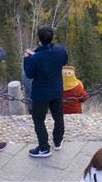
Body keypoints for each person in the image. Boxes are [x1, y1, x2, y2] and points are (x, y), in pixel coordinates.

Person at [24, 25, 69, 158]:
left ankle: (44, 148)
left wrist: (27, 59)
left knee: (38, 120)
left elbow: (29, 74)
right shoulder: (60, 50)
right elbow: (64, 61)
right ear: (52, 37)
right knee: (58, 116)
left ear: (39, 39)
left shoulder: (35, 58)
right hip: (56, 90)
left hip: (40, 94)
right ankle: (58, 141)